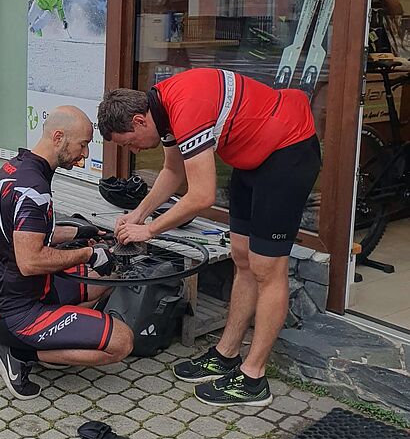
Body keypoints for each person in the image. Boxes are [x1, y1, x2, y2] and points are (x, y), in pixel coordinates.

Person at [97, 69, 321, 407]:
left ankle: (254, 378)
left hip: (288, 150)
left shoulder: (185, 108)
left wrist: (150, 229)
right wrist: (138, 214)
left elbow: (201, 196)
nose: (134, 151)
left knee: (268, 268)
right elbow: (173, 171)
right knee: (242, 257)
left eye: (129, 143)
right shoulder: (160, 108)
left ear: (140, 121)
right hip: (252, 156)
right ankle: (226, 354)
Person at [0, 105, 134, 400]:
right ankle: (19, 354)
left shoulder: (14, 168)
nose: (84, 155)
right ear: (58, 137)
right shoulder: (34, 189)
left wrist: (84, 233)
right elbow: (30, 261)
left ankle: (58, 339)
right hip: (18, 313)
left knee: (106, 279)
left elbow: (29, 233)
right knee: (122, 342)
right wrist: (87, 255)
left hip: (15, 292)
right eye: (83, 144)